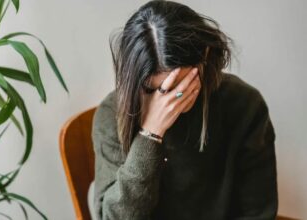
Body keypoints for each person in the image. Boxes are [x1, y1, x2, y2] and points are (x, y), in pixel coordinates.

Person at [91, 1, 278, 219]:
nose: (168, 100)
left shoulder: (245, 105)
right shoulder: (112, 114)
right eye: (153, 89)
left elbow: (258, 212)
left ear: (205, 57)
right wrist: (150, 136)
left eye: (178, 85)